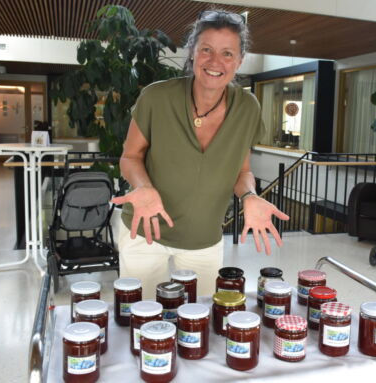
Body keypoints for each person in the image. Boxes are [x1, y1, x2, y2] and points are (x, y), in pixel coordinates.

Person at [111, 10, 289, 297]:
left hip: (203, 239)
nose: (215, 62)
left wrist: (250, 196)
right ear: (192, 52)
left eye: (227, 53)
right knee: (141, 319)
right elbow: (130, 157)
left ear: (239, 60)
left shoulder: (247, 108)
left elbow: (241, 171)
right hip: (145, 230)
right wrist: (143, 187)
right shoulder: (157, 97)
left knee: (196, 324)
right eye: (206, 49)